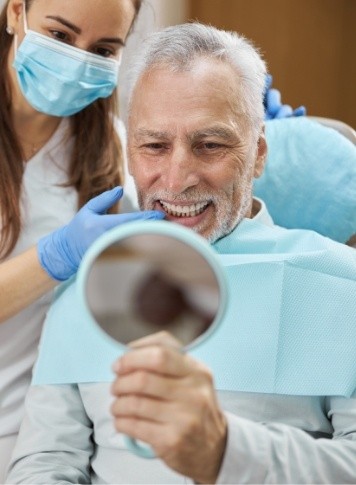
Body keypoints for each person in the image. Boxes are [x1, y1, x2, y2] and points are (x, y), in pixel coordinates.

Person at [8, 23, 352, 485]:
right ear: (129, 153)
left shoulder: (341, 284)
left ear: (259, 153)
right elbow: (44, 462)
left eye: (210, 145)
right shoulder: (85, 285)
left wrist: (225, 452)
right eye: (154, 146)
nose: (176, 180)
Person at [0, 0, 177, 480]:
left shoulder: (111, 149)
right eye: (59, 36)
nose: (78, 60)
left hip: (49, 432)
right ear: (16, 11)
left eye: (102, 48)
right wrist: (58, 255)